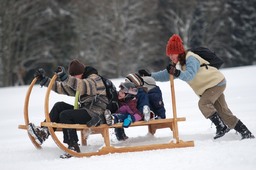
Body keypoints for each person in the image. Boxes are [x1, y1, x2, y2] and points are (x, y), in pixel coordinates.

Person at [139, 34, 254, 140]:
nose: (170, 57)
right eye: (169, 55)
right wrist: (150, 75)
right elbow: (166, 74)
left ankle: (221, 127)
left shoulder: (191, 58)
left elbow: (189, 75)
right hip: (210, 86)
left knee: (203, 104)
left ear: (178, 52)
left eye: (171, 54)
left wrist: (177, 73)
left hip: (216, 83)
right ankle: (246, 133)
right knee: (224, 112)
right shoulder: (179, 62)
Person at [28, 59, 109, 158]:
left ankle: (73, 146)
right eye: (72, 76)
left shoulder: (94, 79)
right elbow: (62, 88)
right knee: (59, 106)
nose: (74, 78)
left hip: (96, 114)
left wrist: (66, 78)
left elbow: (83, 86)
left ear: (82, 73)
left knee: (65, 115)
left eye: (75, 76)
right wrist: (45, 81)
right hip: (85, 110)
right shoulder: (78, 81)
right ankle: (44, 132)